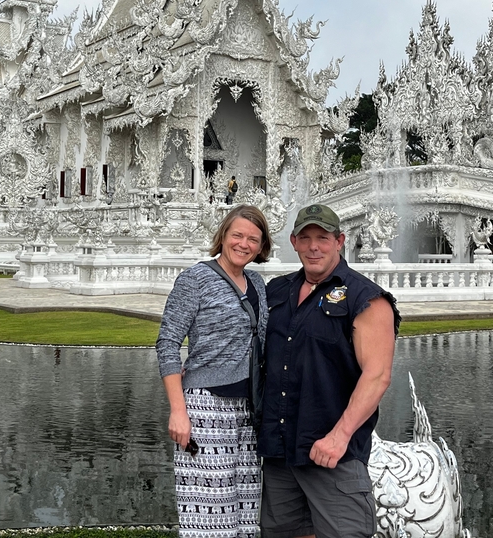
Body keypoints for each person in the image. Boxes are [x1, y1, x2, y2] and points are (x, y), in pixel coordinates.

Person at [258, 203, 400, 538]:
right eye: (305, 238)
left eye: (322, 237)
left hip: (332, 453)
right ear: (293, 241)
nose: (313, 247)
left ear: (340, 241)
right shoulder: (277, 292)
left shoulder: (365, 298)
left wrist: (338, 437)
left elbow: (378, 376)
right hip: (281, 453)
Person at [156, 204, 272, 537]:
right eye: (237, 235)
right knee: (208, 512)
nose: (243, 244)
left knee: (245, 511)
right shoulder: (196, 279)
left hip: (248, 410)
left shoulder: (257, 284)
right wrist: (178, 411)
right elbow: (167, 344)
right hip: (204, 407)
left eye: (253, 238)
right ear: (223, 236)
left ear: (261, 246)